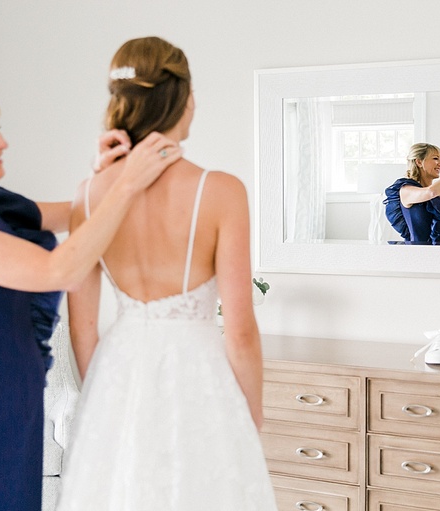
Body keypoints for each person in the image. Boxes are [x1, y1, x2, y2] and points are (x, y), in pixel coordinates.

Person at [0, 82, 181, 511]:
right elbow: (60, 268)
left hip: (20, 406)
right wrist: (126, 185)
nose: (2, 141)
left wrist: (106, 172)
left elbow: (79, 212)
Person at [57, 37, 277, 510]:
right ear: (183, 97)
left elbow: (83, 326)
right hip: (197, 370)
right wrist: (251, 412)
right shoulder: (220, 191)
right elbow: (240, 330)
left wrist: (105, 397)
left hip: (119, 368)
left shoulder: (89, 194)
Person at [384, 143, 440, 244]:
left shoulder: (439, 195)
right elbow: (431, 192)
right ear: (419, 162)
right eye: (436, 158)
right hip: (416, 253)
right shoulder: (406, 190)